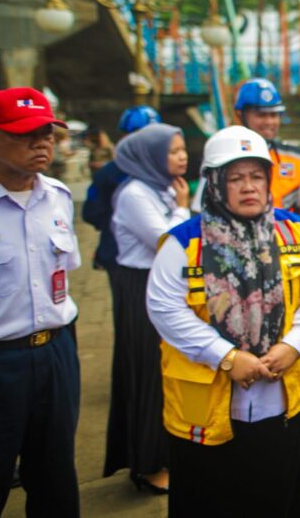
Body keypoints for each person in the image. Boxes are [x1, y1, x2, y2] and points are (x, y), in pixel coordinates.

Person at [146, 126, 300, 517]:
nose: (248, 187)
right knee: (209, 500)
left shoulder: (292, 231)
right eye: (235, 178)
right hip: (208, 409)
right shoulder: (184, 243)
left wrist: (293, 345)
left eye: (257, 177)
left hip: (278, 400)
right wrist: (226, 357)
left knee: (277, 498)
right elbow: (165, 308)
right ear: (214, 183)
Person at [0, 87, 81, 516]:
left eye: (47, 133)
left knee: (56, 476)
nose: (41, 143)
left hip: (57, 352)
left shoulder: (58, 199)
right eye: (25, 134)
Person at [104, 123, 190, 493]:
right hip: (140, 287)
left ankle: (160, 454)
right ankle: (147, 464)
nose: (182, 156)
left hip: (161, 284)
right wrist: (184, 210)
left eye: (182, 148)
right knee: (147, 374)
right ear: (151, 157)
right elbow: (168, 242)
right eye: (172, 151)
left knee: (165, 372)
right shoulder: (135, 193)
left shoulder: (163, 188)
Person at [192, 78, 300, 233]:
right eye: (261, 115)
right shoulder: (221, 156)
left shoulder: (297, 159)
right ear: (240, 114)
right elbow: (200, 209)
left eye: (274, 115)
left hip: (285, 250)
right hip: (233, 247)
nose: (269, 122)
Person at [83, 105, 161, 272]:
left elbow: (91, 213)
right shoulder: (164, 170)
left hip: (120, 252)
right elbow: (91, 212)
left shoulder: (108, 173)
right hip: (128, 258)